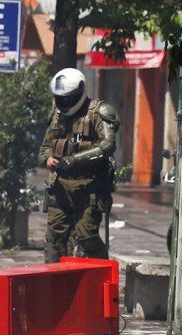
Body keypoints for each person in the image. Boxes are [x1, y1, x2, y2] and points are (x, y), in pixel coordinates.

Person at [39, 68, 120, 263]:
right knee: (54, 238)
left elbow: (108, 145)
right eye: (61, 98)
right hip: (60, 187)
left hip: (89, 186)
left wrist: (75, 160)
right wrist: (48, 159)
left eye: (69, 98)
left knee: (87, 236)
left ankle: (103, 277)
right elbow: (46, 146)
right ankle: (51, 283)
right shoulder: (57, 115)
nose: (65, 103)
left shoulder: (99, 112)